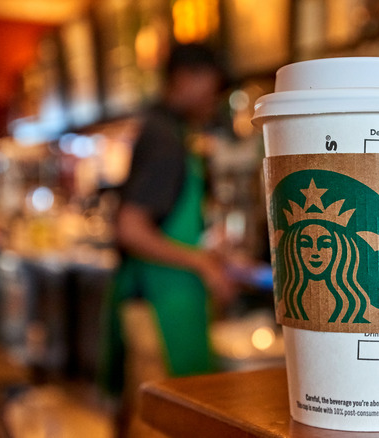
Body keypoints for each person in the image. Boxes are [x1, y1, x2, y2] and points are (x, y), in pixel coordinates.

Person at [99, 43, 238, 436]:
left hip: (167, 303)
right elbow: (130, 227)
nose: (214, 97)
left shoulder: (168, 132)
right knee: (159, 424)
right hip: (157, 312)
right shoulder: (163, 138)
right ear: (184, 78)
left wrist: (211, 253)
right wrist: (202, 263)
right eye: (212, 86)